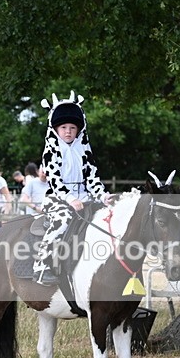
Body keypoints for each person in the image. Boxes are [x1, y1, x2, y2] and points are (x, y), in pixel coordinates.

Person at [27, 91, 113, 285]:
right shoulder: (51, 150)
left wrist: (103, 196)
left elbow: (92, 177)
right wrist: (70, 200)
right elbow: (55, 180)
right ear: (55, 128)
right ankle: (42, 266)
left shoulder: (83, 150)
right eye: (63, 127)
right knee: (63, 219)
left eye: (72, 127)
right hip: (57, 199)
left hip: (84, 197)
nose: (68, 131)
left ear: (78, 129)